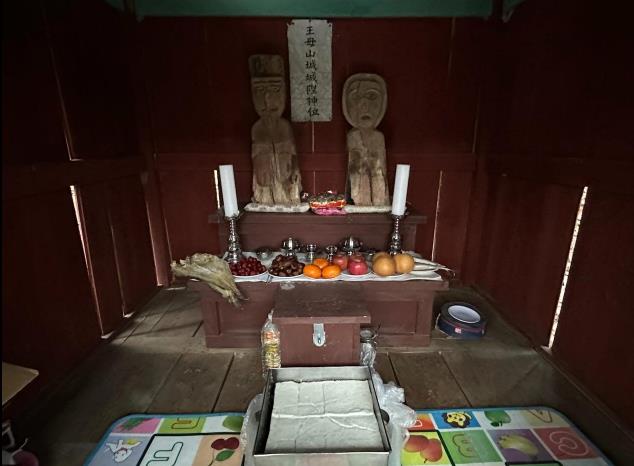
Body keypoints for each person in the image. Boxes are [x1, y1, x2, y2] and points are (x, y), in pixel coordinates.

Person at [249, 55, 302, 205]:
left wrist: (294, 171)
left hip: (286, 185)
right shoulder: (257, 129)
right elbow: (257, 163)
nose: (267, 99)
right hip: (265, 186)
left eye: (275, 90)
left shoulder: (285, 127)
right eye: (260, 90)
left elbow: (292, 158)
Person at [342, 73, 390, 206]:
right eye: (355, 97)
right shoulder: (353, 136)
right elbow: (355, 172)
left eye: (372, 96)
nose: (364, 105)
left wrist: (381, 198)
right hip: (358, 197)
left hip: (379, 200)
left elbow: (381, 173)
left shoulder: (378, 137)